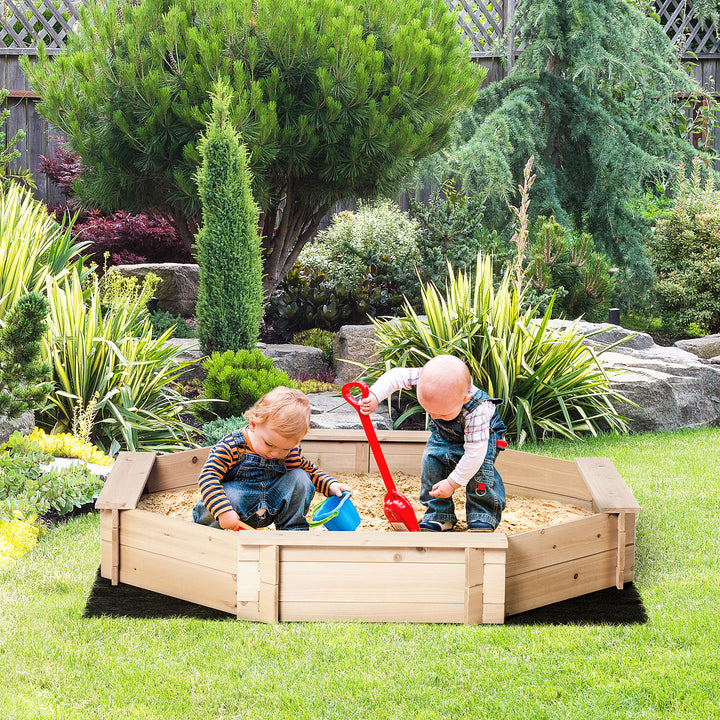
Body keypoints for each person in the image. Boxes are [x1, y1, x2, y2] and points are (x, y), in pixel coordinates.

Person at [359, 355, 506, 532]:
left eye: (442, 414)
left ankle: (482, 515)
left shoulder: (479, 411)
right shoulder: (426, 377)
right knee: (431, 463)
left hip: (483, 438)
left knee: (481, 473)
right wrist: (375, 396)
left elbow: (474, 455)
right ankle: (439, 515)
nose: (434, 417)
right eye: (429, 411)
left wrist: (452, 484)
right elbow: (395, 376)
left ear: (464, 399)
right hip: (444, 436)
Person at [192, 386, 352, 531]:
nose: (276, 453)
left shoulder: (289, 452)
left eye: (286, 449)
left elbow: (309, 471)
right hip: (231, 515)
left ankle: (293, 533)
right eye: (269, 444)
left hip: (269, 507)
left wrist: (331, 484)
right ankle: (206, 535)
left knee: (301, 478)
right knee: (224, 497)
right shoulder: (232, 446)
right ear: (253, 424)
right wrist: (223, 511)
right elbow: (208, 477)